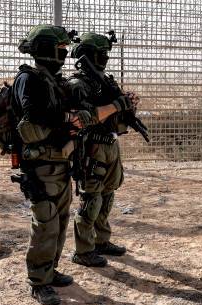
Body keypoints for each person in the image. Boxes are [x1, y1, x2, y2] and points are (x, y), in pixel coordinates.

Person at [12, 24, 93, 305]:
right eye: (60, 49)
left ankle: (50, 269)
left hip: (58, 162)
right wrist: (66, 119)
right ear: (46, 50)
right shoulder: (29, 79)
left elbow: (64, 115)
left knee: (59, 220)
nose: (65, 54)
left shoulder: (52, 80)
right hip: (39, 165)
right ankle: (38, 281)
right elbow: (34, 115)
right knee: (45, 222)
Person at [66, 32, 139, 268]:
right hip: (91, 147)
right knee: (91, 198)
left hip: (109, 143)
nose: (106, 58)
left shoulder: (104, 81)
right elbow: (85, 118)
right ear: (91, 54)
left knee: (108, 194)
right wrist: (117, 104)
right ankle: (83, 250)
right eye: (102, 53)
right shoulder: (78, 84)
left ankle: (101, 241)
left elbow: (116, 115)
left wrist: (128, 104)